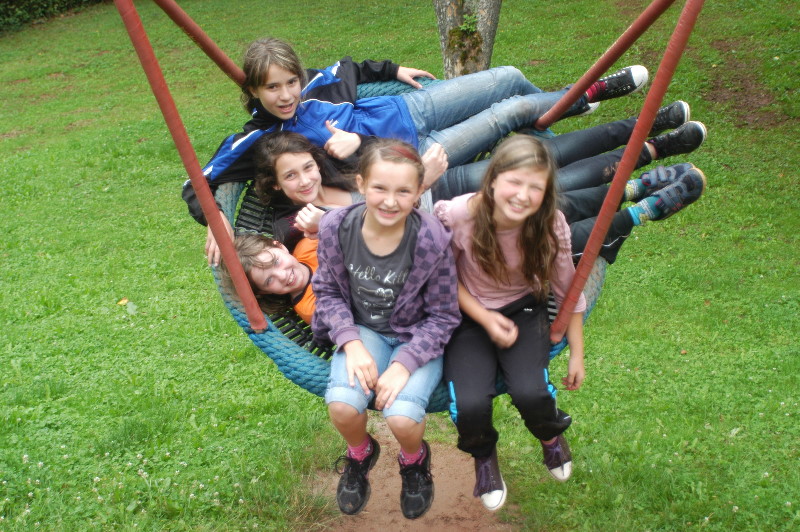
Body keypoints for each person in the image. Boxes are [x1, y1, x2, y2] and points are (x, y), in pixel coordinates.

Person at [431, 135, 589, 512]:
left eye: (536, 187)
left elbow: (568, 289)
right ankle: (484, 456)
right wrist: (485, 318)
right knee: (469, 405)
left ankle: (550, 437)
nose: (522, 195)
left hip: (525, 309)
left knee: (531, 393)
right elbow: (444, 279)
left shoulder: (550, 223)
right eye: (514, 182)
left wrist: (577, 353)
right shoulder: (460, 214)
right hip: (468, 315)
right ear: (493, 180)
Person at [311, 139, 460, 519]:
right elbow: (327, 291)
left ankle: (414, 460)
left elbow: (444, 316)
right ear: (361, 184)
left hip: (418, 335)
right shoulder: (337, 227)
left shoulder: (431, 239)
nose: (391, 201)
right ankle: (360, 453)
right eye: (380, 188)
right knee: (342, 406)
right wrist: (351, 343)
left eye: (403, 191)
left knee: (401, 417)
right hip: (365, 330)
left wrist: (405, 363)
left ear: (419, 191)